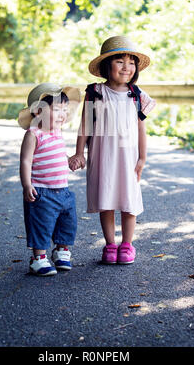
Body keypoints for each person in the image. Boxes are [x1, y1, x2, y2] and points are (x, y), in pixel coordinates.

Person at [69, 35, 156, 265]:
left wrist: (142, 158)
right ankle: (110, 244)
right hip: (102, 155)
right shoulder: (95, 92)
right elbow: (85, 124)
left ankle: (127, 244)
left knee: (129, 200)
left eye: (131, 62)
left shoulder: (137, 95)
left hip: (128, 157)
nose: (126, 67)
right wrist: (79, 152)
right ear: (107, 66)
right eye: (119, 61)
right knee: (105, 198)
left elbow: (141, 130)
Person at [18, 82, 81, 276]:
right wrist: (27, 184)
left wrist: (69, 160)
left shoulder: (57, 132)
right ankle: (38, 258)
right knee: (41, 224)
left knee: (67, 222)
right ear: (38, 111)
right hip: (42, 191)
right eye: (57, 109)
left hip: (63, 190)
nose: (63, 114)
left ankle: (61, 251)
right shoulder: (33, 134)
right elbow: (26, 161)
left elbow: (57, 154)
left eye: (65, 109)